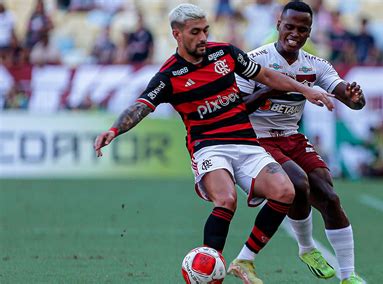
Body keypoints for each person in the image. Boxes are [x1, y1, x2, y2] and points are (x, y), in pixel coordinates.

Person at [93, 4, 334, 284]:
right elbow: (141, 106)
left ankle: (244, 260)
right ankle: (207, 275)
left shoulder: (225, 53)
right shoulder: (169, 76)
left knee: (285, 192)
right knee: (226, 199)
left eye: (205, 30)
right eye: (195, 32)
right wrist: (114, 129)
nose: (203, 37)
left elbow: (266, 75)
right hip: (210, 147)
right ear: (177, 34)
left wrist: (306, 89)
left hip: (246, 143)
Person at [236, 2, 365, 283]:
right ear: (278, 24)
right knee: (298, 183)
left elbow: (346, 94)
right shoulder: (255, 59)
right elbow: (238, 109)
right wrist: (277, 84)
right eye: (290, 26)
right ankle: (307, 248)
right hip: (258, 138)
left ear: (309, 32)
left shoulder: (315, 64)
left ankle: (348, 275)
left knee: (329, 197)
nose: (295, 33)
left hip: (291, 137)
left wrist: (355, 98)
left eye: (302, 29)